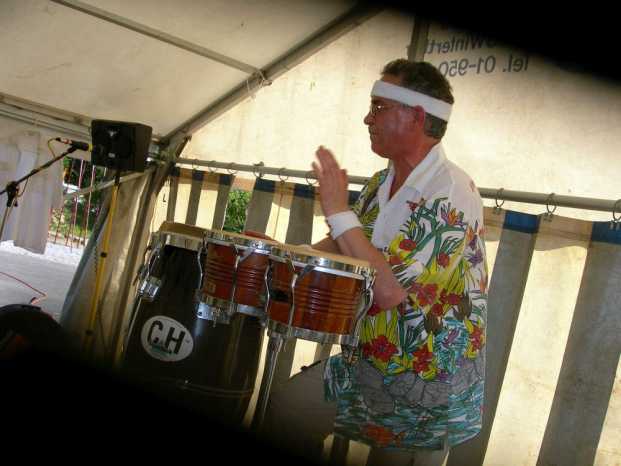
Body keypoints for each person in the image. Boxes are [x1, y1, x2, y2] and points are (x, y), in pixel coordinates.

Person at [254, 59, 488, 466]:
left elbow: (389, 290)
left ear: (417, 116)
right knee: (289, 411)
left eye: (379, 107)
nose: (368, 118)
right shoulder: (383, 181)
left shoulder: (451, 192)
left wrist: (337, 209)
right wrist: (284, 253)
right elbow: (345, 243)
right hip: (370, 360)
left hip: (425, 380)